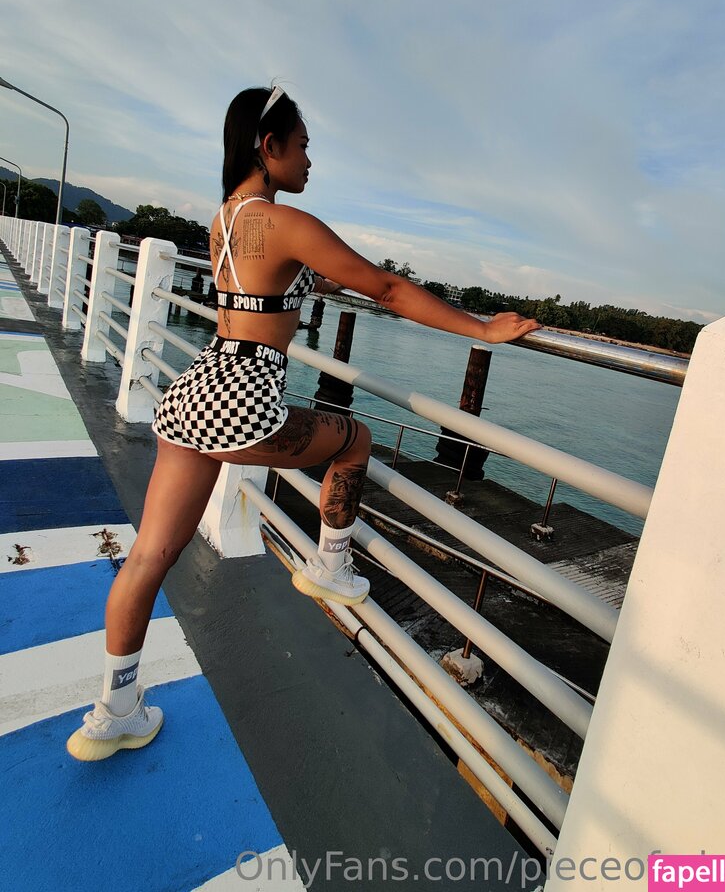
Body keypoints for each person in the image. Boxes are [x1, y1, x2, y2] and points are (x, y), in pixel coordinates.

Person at [66, 85, 541, 761]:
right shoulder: (287, 222)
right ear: (270, 147)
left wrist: (315, 282)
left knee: (148, 555)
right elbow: (387, 288)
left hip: (196, 390)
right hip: (244, 398)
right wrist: (481, 329)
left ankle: (113, 712)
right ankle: (330, 564)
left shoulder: (225, 221)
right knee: (356, 440)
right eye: (304, 145)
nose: (311, 160)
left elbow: (273, 288)